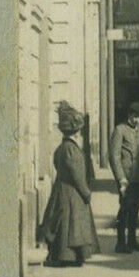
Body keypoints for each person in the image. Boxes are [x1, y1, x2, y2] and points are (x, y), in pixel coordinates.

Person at [38, 105, 101, 267]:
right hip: (73, 194)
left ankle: (65, 256)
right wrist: (86, 193)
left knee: (65, 225)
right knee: (71, 226)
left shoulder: (61, 148)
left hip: (62, 190)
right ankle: (67, 257)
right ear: (76, 132)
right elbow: (77, 175)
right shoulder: (71, 149)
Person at [110, 101, 139, 254]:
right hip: (126, 178)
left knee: (135, 209)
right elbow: (114, 157)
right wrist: (121, 178)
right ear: (130, 115)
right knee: (125, 208)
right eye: (136, 117)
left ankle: (132, 241)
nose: (138, 120)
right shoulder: (120, 130)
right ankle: (120, 243)